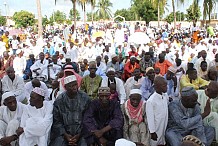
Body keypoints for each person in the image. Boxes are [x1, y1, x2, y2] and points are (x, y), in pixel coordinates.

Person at [49, 75, 90, 146]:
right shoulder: (59, 100)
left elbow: (88, 118)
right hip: (63, 134)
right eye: (71, 86)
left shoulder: (85, 98)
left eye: (75, 85)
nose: (74, 88)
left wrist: (79, 134)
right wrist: (66, 135)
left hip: (82, 133)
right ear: (65, 88)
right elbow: (57, 121)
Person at [146, 76, 169, 146]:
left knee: (162, 140)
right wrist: (152, 132)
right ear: (157, 87)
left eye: (166, 85)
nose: (166, 87)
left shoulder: (165, 96)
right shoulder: (151, 101)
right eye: (164, 86)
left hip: (164, 123)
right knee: (155, 142)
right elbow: (150, 118)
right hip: (156, 126)